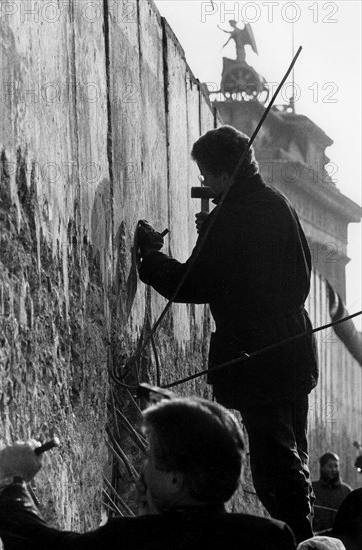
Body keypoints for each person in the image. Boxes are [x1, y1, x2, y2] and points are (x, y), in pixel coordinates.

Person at [137, 125, 319, 543]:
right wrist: (214, 234)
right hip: (294, 345)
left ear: (222, 175)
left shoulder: (234, 218)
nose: (204, 184)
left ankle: (296, 542)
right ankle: (304, 538)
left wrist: (151, 258)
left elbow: (192, 284)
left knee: (275, 466)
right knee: (295, 458)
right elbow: (251, 270)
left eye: (206, 176)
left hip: (259, 354)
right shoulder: (276, 203)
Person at [0, 397, 296, 549]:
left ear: (176, 478)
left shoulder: (137, 540)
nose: (142, 469)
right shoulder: (271, 537)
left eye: (151, 458)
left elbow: (41, 547)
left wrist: (13, 480)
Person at [312, 453, 352, 533]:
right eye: (330, 466)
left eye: (336, 466)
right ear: (322, 467)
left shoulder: (346, 491)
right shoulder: (313, 489)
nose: (333, 469)